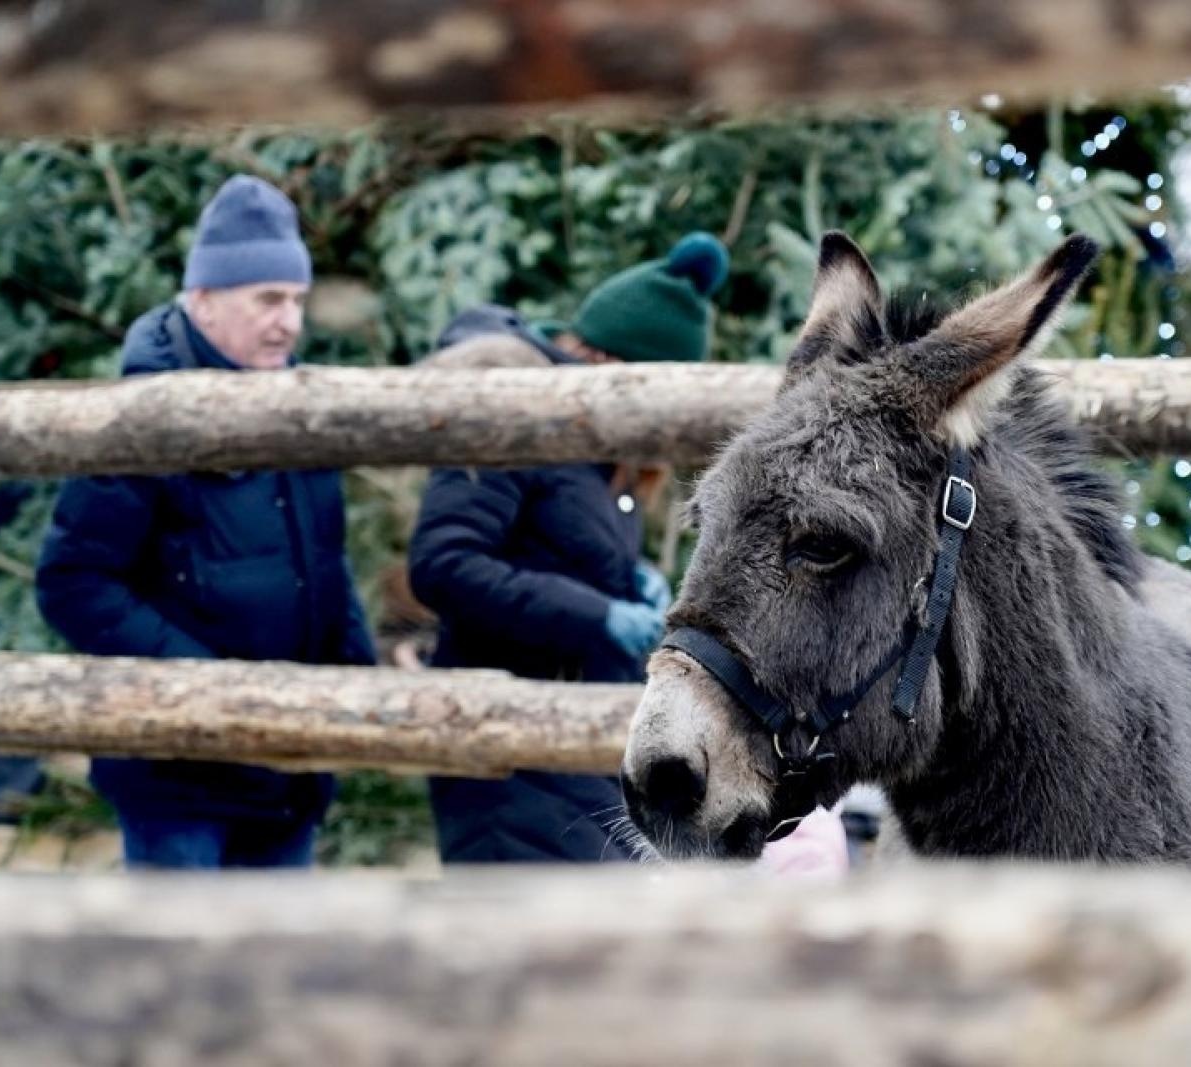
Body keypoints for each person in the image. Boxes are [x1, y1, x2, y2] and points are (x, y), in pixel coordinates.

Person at [35, 175, 377, 870]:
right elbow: (72, 581)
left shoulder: (302, 410)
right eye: (268, 299)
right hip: (178, 775)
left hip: (287, 764)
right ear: (204, 301)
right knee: (176, 974)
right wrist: (201, 683)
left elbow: (324, 562)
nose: (289, 321)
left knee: (282, 971)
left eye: (298, 301)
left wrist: (359, 678)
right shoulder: (143, 417)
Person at [407, 232, 729, 863]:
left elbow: (559, 549)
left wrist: (628, 578)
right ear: (617, 368)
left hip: (580, 747)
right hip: (505, 742)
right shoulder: (516, 419)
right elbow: (443, 564)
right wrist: (596, 614)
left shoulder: (607, 461)